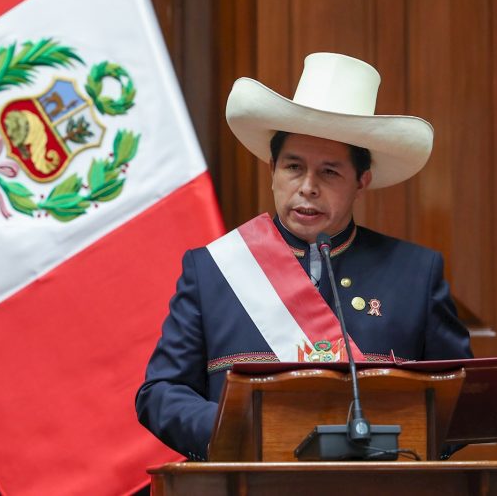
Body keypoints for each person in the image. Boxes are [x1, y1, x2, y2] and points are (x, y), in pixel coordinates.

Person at [135, 53, 473, 461]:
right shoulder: (212, 271)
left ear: (361, 181)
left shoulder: (416, 274)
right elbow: (161, 392)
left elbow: (461, 400)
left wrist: (401, 446)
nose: (307, 187)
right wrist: (239, 435)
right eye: (293, 167)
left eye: (330, 172)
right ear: (272, 168)